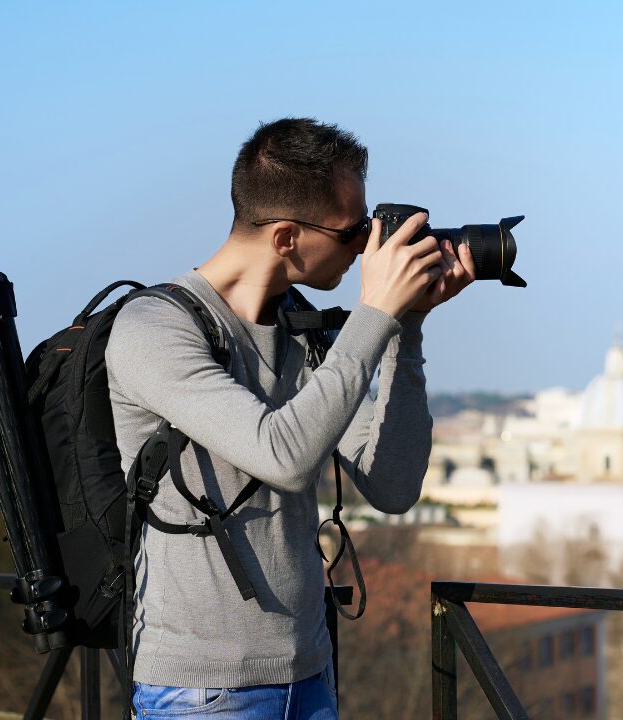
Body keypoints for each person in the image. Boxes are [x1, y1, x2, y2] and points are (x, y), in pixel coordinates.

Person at [105, 117, 474, 719]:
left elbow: (394, 486)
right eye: (353, 231)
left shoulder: (301, 331)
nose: (366, 247)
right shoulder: (155, 329)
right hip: (203, 691)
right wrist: (375, 313)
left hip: (310, 675)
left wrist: (406, 329)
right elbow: (283, 455)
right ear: (285, 238)